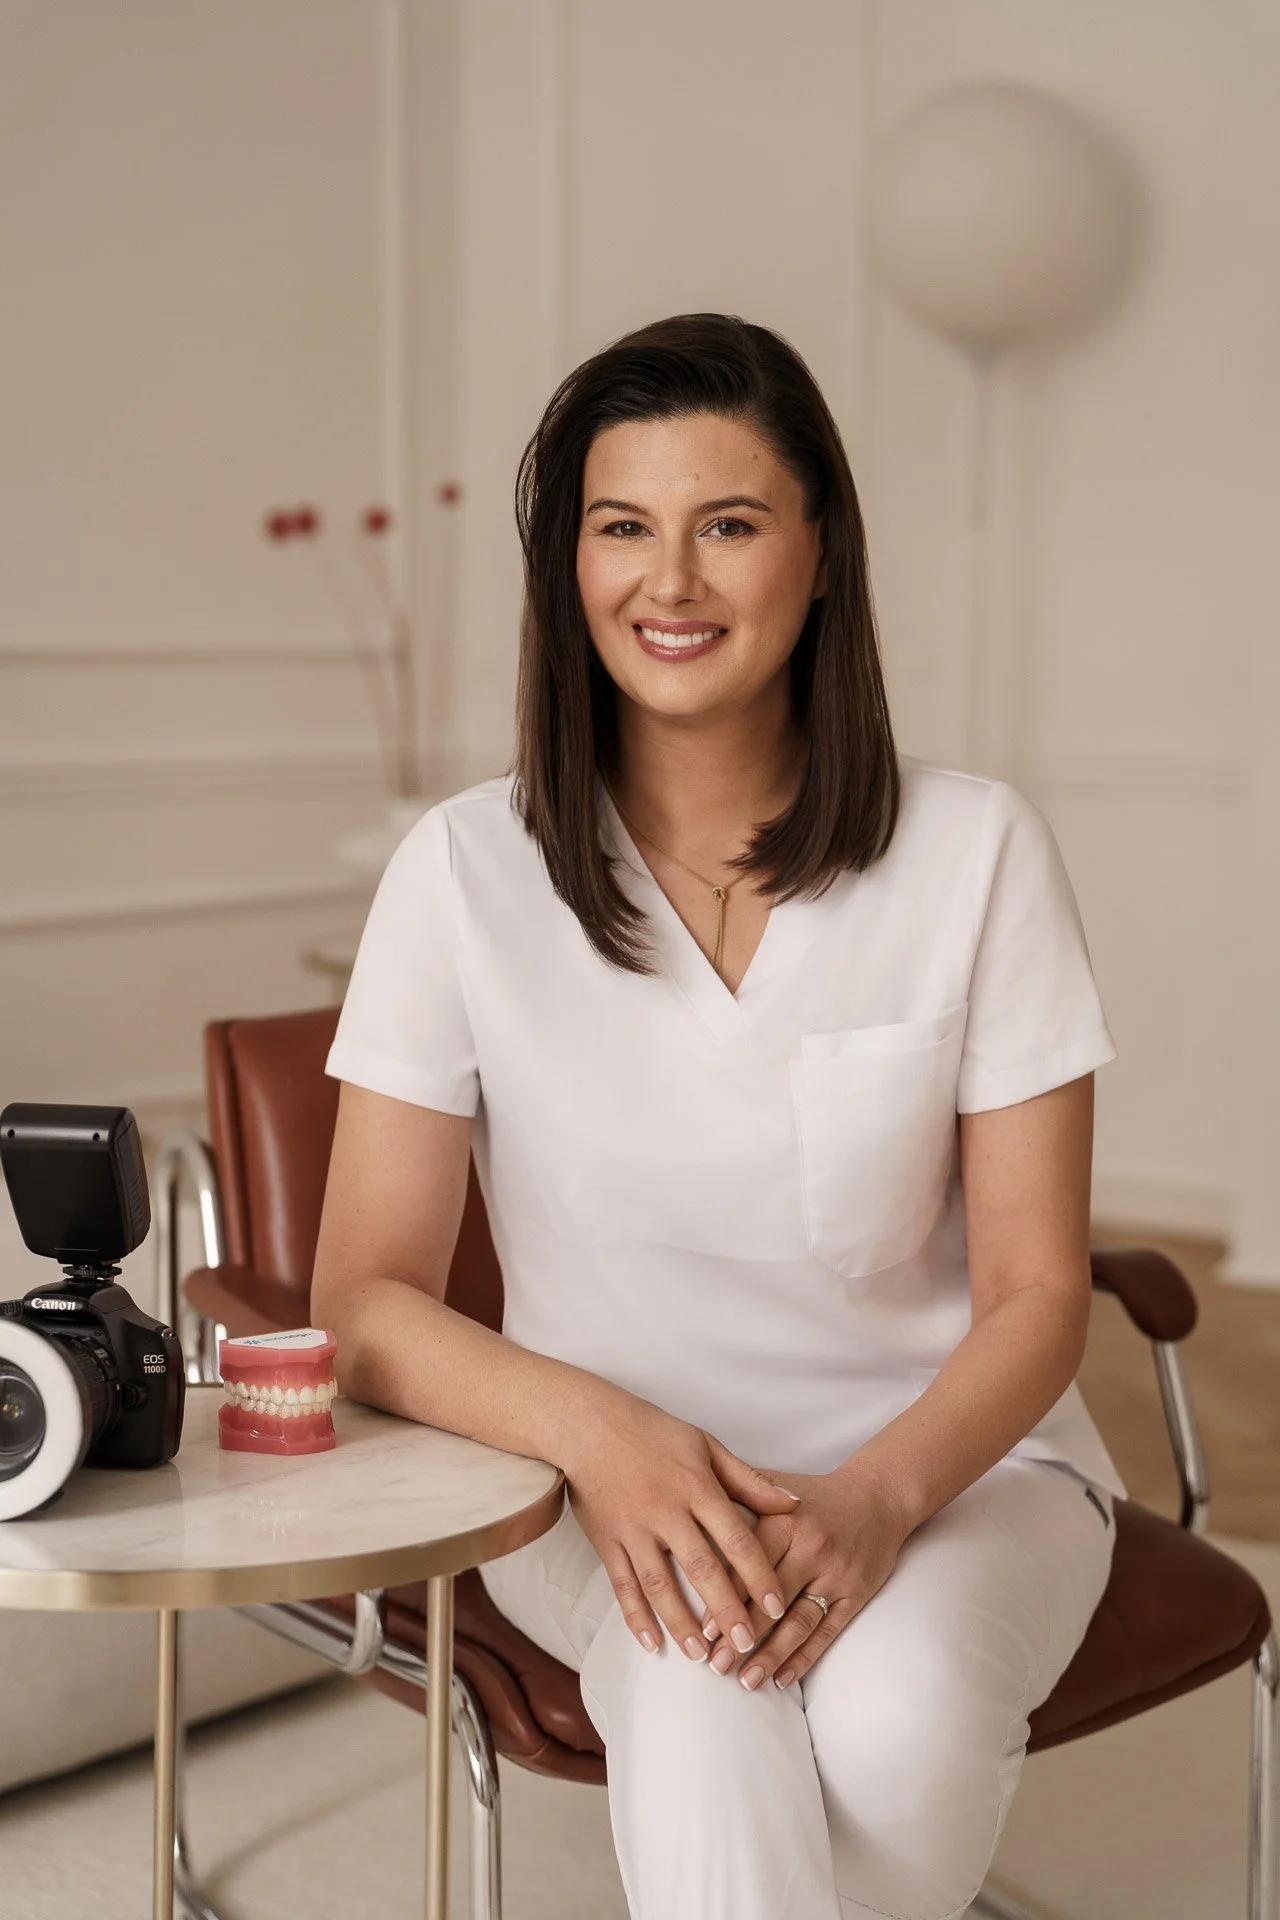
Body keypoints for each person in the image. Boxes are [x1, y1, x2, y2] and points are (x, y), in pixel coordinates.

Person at [312, 312, 1124, 1920]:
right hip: (578, 1486)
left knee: (898, 1720)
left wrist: (881, 1500)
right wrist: (606, 1438)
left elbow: (1041, 1296)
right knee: (695, 1678)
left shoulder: (975, 855)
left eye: (729, 525)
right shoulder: (465, 873)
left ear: (821, 557)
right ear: (569, 570)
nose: (667, 583)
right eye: (623, 528)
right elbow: (364, 1304)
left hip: (960, 1470)